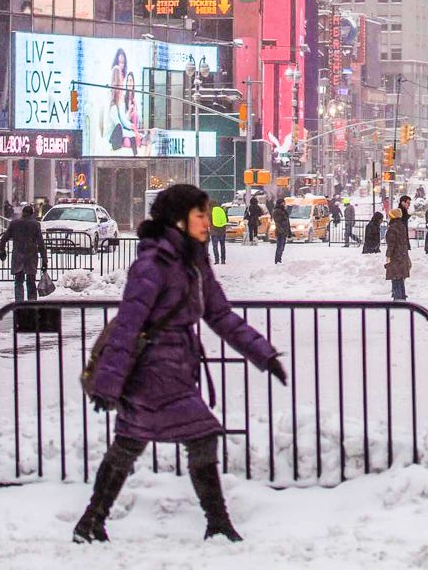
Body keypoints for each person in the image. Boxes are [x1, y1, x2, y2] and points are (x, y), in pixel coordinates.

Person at [76, 184, 287, 544]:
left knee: (129, 443)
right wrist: (108, 385)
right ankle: (218, 523)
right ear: (178, 219)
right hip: (153, 373)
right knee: (201, 435)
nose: (208, 221)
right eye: (200, 214)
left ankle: (91, 522)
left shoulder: (193, 260)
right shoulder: (153, 263)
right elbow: (128, 323)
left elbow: (220, 315)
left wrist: (263, 353)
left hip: (175, 368)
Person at [0, 203, 48, 301]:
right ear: (32, 213)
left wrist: (2, 251)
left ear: (23, 213)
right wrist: (44, 259)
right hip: (31, 256)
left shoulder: (14, 223)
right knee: (31, 281)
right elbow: (41, 244)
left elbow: (4, 239)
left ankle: (19, 302)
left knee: (18, 281)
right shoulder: (35, 224)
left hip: (18, 255)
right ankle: (31, 301)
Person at [385, 197, 412, 301]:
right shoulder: (401, 226)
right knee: (400, 277)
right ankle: (401, 296)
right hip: (402, 254)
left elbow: (391, 244)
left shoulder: (393, 228)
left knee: (395, 277)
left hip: (396, 255)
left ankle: (397, 297)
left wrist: (388, 256)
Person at [271, 198, 291, 264]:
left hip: (284, 231)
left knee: (282, 247)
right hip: (280, 232)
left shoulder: (284, 211)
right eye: (282, 203)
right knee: (279, 247)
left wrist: (289, 232)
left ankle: (279, 259)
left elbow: (288, 222)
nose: (283, 204)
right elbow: (277, 223)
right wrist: (281, 231)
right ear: (279, 203)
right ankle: (277, 260)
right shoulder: (277, 211)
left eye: (284, 203)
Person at [209, 201, 228, 265]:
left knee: (215, 246)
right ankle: (223, 260)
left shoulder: (211, 211)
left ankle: (217, 260)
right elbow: (226, 220)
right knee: (222, 245)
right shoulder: (222, 210)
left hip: (214, 231)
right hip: (222, 231)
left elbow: (209, 221)